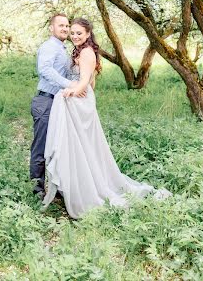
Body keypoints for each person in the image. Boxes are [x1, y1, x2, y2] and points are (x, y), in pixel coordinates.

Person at [43, 17, 171, 218]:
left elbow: (85, 82)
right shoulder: (79, 50)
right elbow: (90, 83)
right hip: (80, 100)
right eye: (72, 32)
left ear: (87, 34)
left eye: (79, 33)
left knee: (83, 144)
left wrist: (70, 91)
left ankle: (89, 187)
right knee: (81, 145)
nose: (75, 36)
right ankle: (80, 182)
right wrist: (76, 88)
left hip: (79, 100)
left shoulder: (86, 52)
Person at [30, 13, 82, 199]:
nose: (65, 29)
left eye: (67, 26)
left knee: (58, 145)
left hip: (59, 102)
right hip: (45, 101)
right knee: (42, 144)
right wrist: (69, 85)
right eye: (61, 25)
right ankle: (37, 186)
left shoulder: (63, 48)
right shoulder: (49, 47)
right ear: (51, 28)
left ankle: (56, 186)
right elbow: (44, 70)